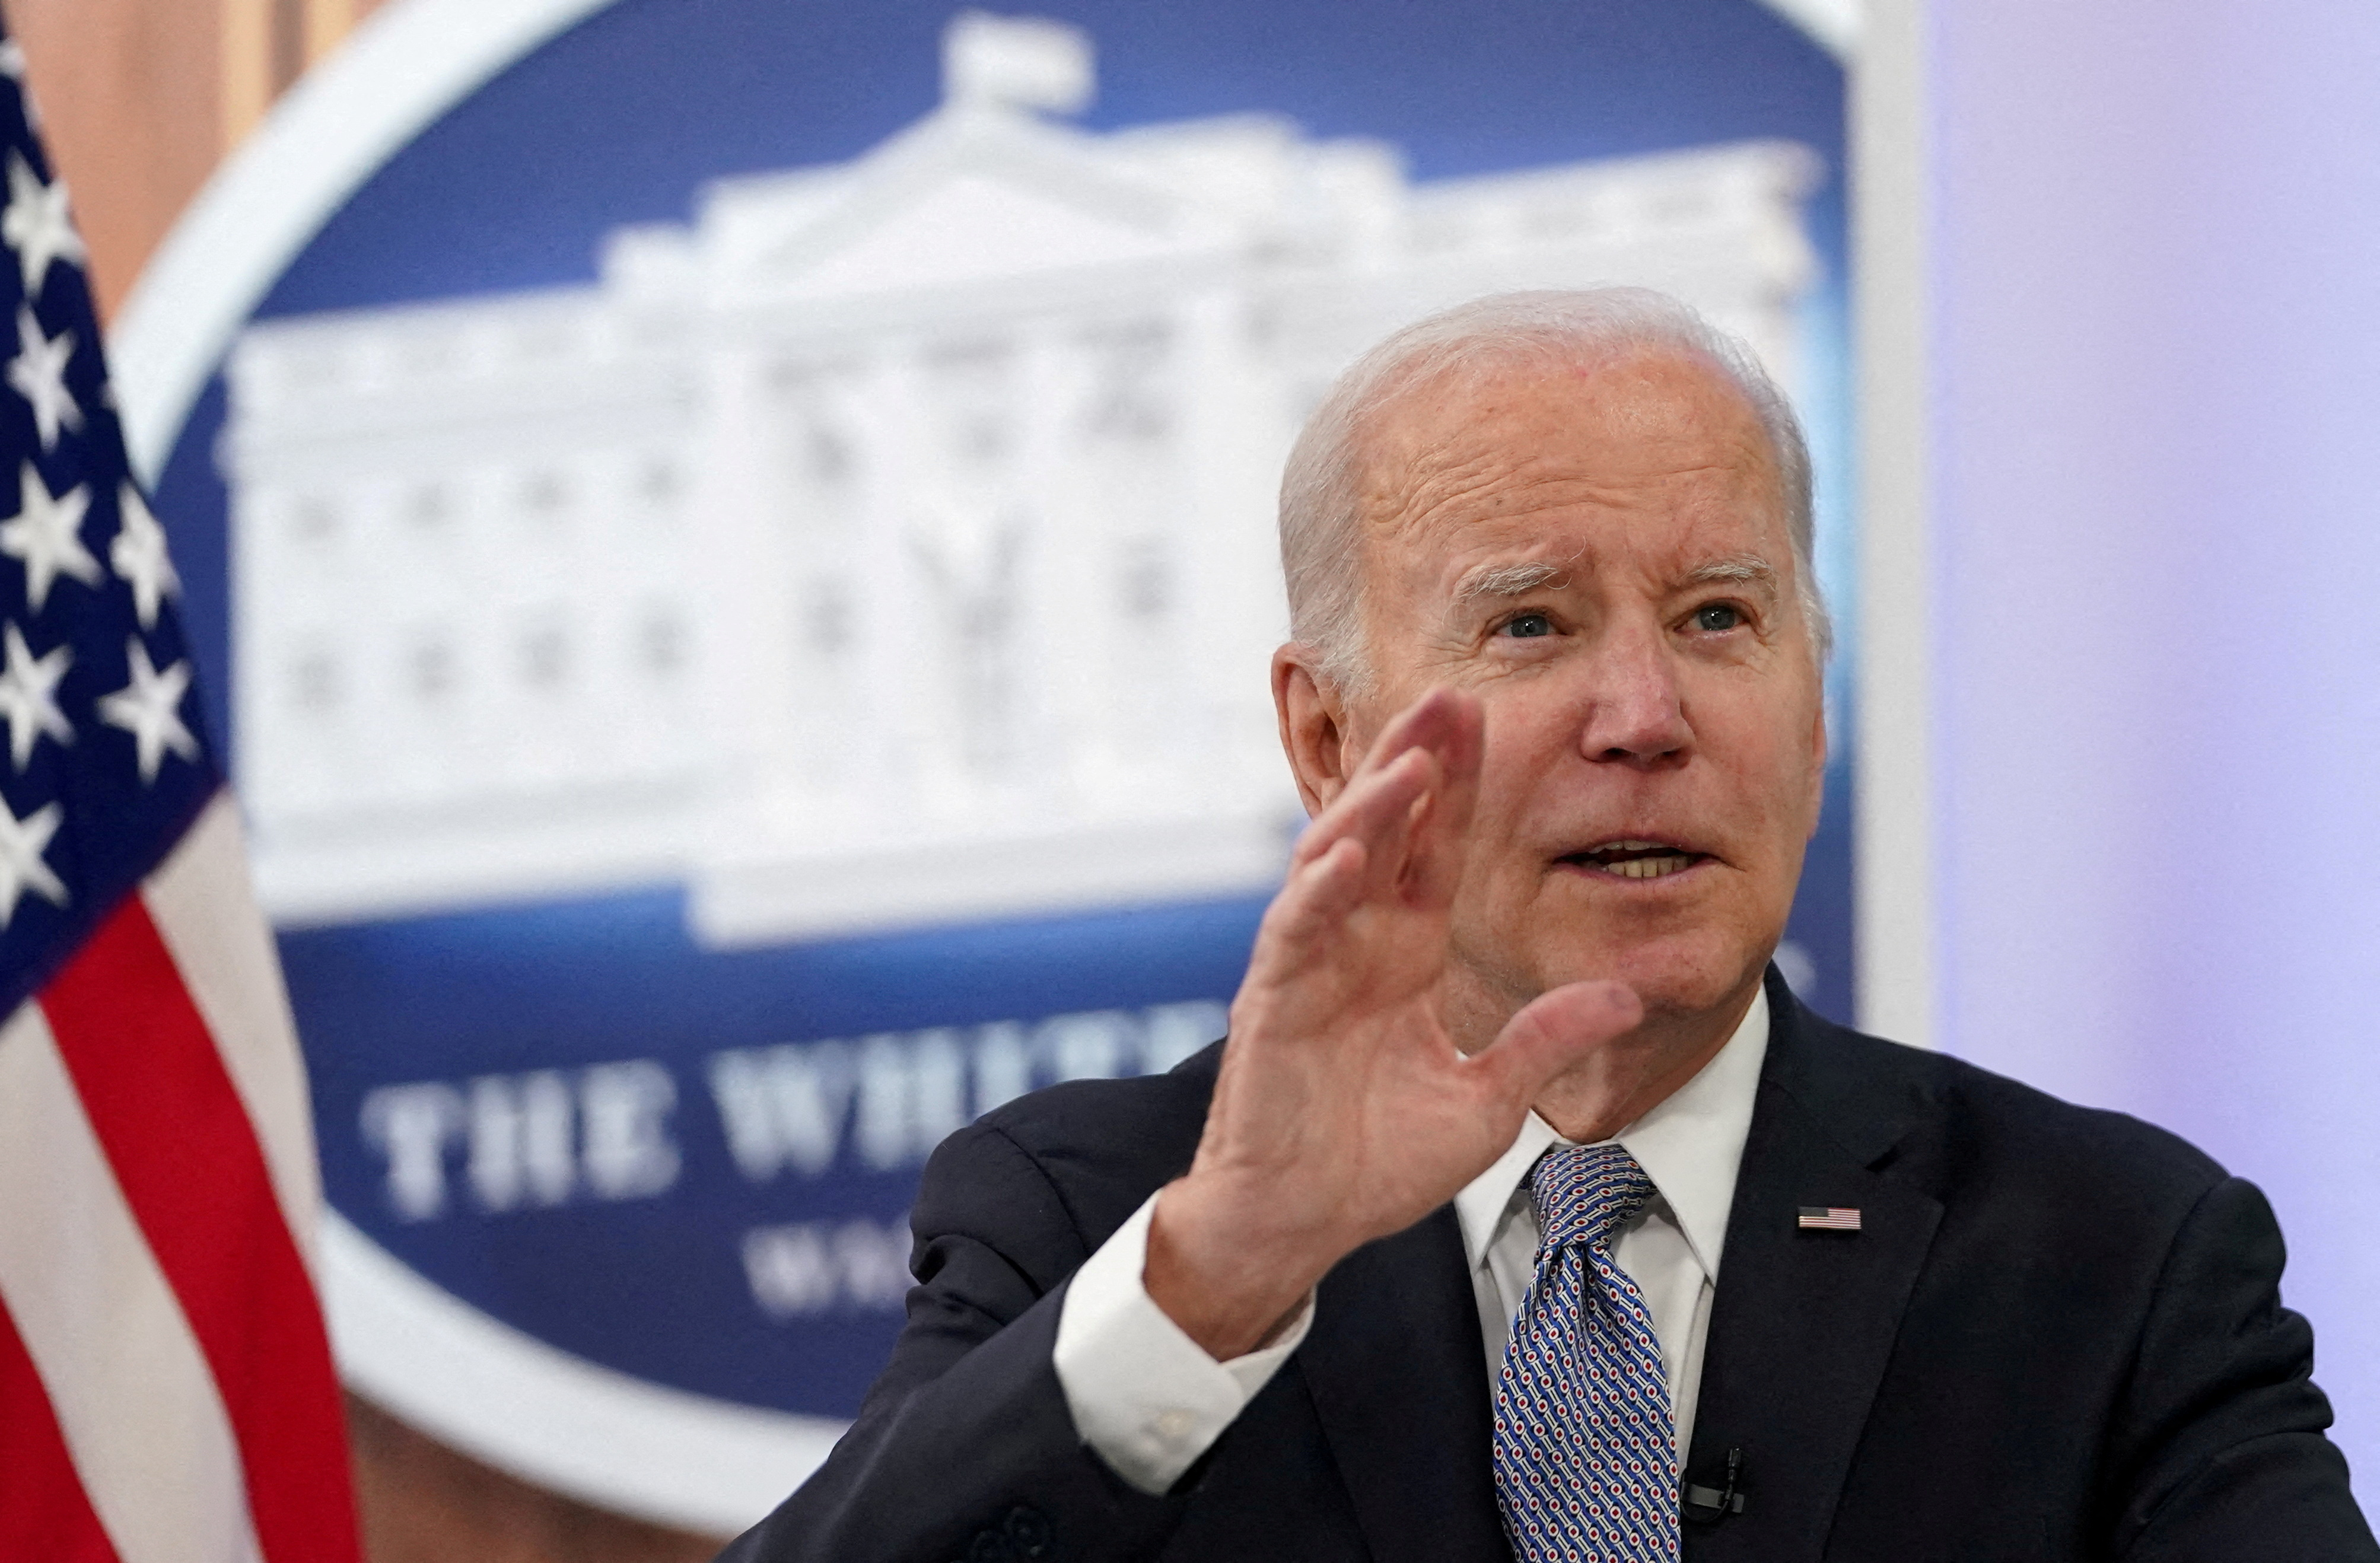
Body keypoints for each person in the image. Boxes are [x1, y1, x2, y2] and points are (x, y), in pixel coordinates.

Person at [718, 289, 2377, 1562]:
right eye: (1531, 622)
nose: (1644, 715)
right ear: (1325, 739)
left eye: (1718, 616)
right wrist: (1210, 1286)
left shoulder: (2112, 1255)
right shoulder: (1091, 1221)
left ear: (1813, 705)